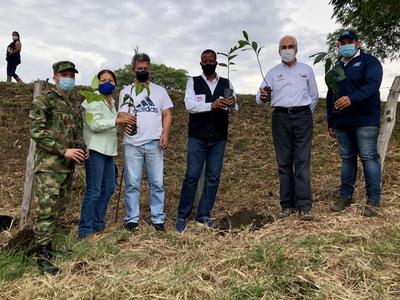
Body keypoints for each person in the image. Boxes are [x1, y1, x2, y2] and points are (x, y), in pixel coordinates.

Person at [30, 61, 88, 274]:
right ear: (55, 77)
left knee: (59, 209)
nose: (68, 79)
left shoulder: (73, 102)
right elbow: (37, 131)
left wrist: (82, 148)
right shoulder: (44, 99)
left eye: (71, 75)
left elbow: (76, 131)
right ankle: (42, 254)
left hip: (67, 167)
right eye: (64, 74)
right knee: (46, 210)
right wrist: (64, 150)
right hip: (49, 166)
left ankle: (50, 248)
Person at [256, 35, 319, 221]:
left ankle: (304, 205)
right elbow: (259, 99)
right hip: (280, 118)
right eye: (283, 47)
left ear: (297, 49)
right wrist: (263, 96)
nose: (287, 49)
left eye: (291, 46)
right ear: (279, 51)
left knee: (302, 162)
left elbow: (314, 96)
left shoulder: (306, 70)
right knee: (284, 164)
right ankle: (286, 205)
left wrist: (304, 114)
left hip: (302, 117)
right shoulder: (273, 73)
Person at [176, 49, 238, 233]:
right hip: (198, 136)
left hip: (219, 137)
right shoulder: (193, 82)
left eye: (212, 60)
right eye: (205, 60)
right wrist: (211, 105)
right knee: (192, 175)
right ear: (200, 63)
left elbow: (235, 108)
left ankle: (204, 215)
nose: (209, 62)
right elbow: (189, 105)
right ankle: (182, 215)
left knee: (213, 177)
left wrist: (232, 103)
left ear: (217, 62)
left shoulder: (226, 82)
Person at [327, 30, 383, 217]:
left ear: (357, 43)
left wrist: (352, 99)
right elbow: (330, 95)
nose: (346, 45)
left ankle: (373, 201)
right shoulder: (336, 69)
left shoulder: (369, 62)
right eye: (342, 42)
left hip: (365, 119)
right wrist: (331, 120)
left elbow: (372, 85)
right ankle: (345, 196)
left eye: (349, 41)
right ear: (338, 47)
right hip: (343, 121)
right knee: (347, 159)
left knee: (368, 158)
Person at [119, 53, 173, 232]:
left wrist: (165, 133)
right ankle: (132, 219)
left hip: (154, 142)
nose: (143, 71)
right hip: (132, 143)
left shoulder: (159, 91)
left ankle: (158, 219)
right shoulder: (126, 92)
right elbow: (121, 116)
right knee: (132, 182)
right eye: (139, 69)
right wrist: (124, 126)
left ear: (150, 69)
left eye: (145, 69)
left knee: (157, 182)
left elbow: (166, 114)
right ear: (133, 69)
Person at [78, 70, 135, 238]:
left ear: (115, 84)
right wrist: (117, 121)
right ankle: (85, 230)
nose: (107, 82)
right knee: (94, 190)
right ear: (97, 82)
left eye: (110, 80)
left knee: (109, 187)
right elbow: (94, 124)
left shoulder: (110, 101)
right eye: (103, 80)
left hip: (108, 151)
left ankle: (98, 224)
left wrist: (122, 124)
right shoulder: (92, 99)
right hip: (95, 149)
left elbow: (110, 124)